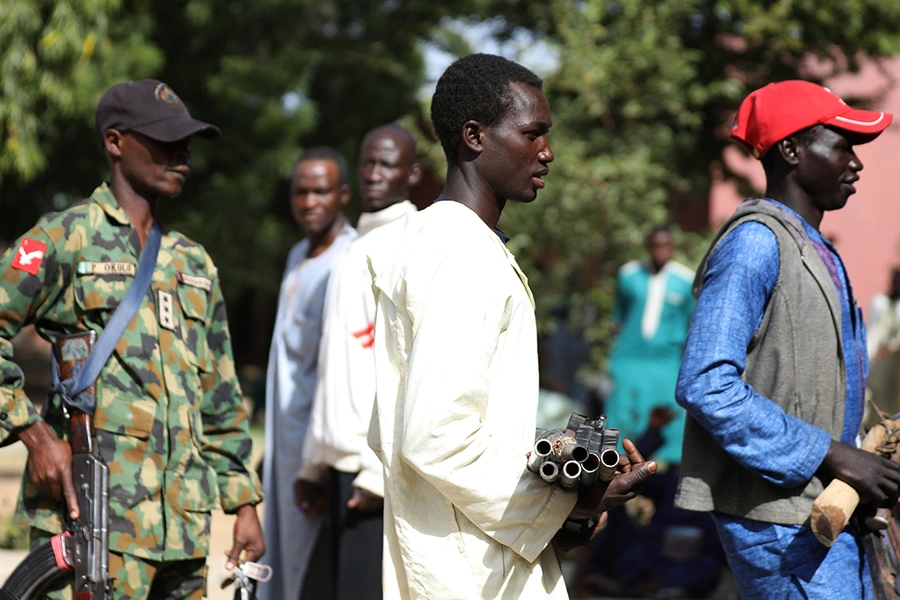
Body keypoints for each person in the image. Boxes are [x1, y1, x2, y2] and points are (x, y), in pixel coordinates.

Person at [365, 53, 657, 599]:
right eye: (533, 134)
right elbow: (435, 437)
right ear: (475, 136)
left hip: (463, 546)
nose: (548, 152)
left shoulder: (434, 240)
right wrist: (566, 503)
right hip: (470, 568)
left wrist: (559, 468)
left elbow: (402, 426)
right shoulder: (461, 254)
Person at [0, 79, 264, 599]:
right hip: (94, 525)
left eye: (187, 142)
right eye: (164, 140)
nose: (182, 154)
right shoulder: (63, 237)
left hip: (183, 532)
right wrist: (34, 435)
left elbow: (221, 396)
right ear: (115, 142)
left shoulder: (194, 263)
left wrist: (243, 505)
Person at [675, 80, 900, 599]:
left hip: (824, 512)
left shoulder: (816, 247)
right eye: (841, 144)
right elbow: (706, 383)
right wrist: (835, 455)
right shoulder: (755, 243)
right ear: (792, 150)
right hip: (780, 524)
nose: (856, 162)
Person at [296, 124, 421, 599]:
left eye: (386, 164)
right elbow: (337, 367)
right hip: (337, 466)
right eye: (367, 162)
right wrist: (313, 462)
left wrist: (376, 472)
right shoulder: (354, 245)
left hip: (375, 473)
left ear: (411, 173)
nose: (373, 174)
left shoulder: (410, 244)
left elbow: (405, 370)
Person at [259, 147, 355, 600]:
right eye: (301, 192)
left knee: (313, 573)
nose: (310, 202)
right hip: (285, 447)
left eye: (321, 191)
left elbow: (341, 371)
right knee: (280, 562)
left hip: (320, 454)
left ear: (343, 195)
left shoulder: (350, 260)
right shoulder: (299, 254)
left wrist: (316, 466)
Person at [605, 225, 695, 465]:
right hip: (629, 359)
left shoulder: (685, 281)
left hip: (665, 364)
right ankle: (620, 465)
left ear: (672, 248)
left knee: (668, 418)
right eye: (656, 245)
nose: (660, 251)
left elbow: (690, 325)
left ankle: (667, 469)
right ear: (648, 247)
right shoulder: (629, 275)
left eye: (665, 246)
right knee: (625, 415)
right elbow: (619, 318)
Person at [865, 267, 900, 423]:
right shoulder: (880, 301)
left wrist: (891, 347)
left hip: (894, 359)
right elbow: (873, 330)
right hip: (878, 358)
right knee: (876, 392)